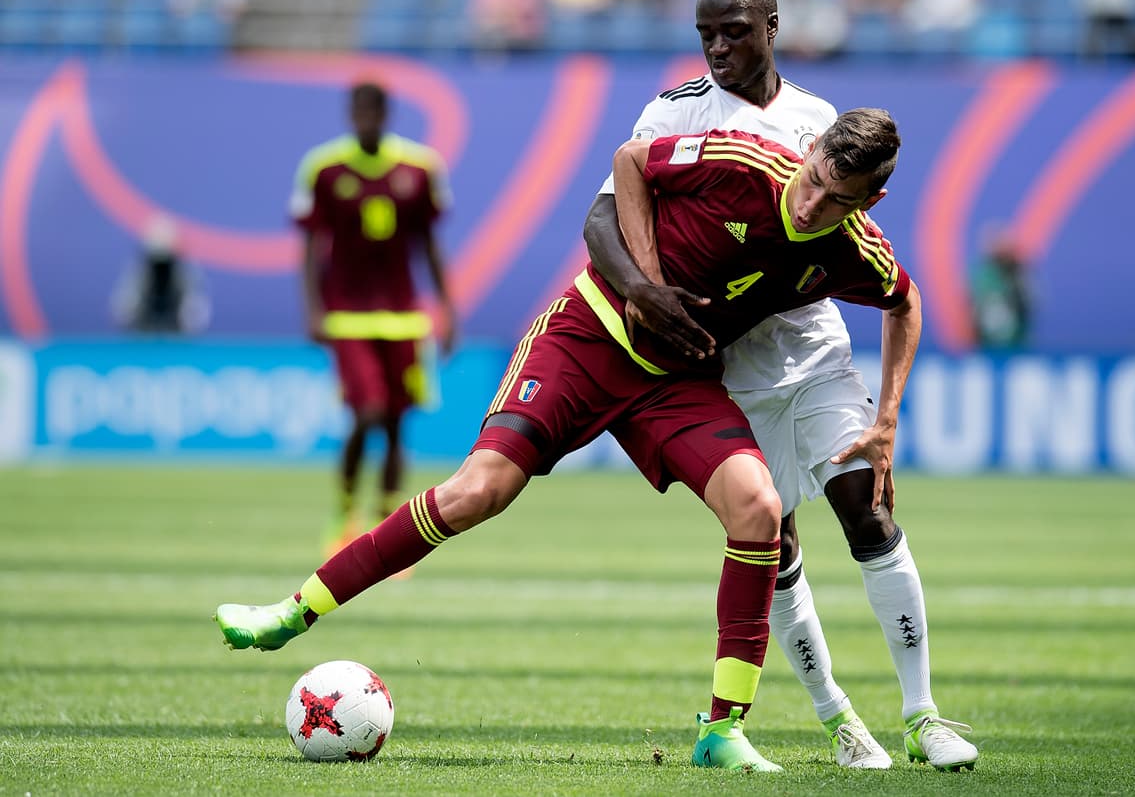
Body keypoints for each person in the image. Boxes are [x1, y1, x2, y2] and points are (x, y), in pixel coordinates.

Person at [216, 109, 910, 773]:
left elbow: (904, 300)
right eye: (815, 176)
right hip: (587, 340)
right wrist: (643, 284)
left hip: (676, 381)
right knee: (477, 492)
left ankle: (722, 728)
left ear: (869, 199)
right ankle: (293, 610)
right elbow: (631, 161)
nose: (812, 202)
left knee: (759, 507)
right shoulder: (739, 161)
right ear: (812, 145)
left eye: (837, 197)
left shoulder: (851, 247)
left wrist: (886, 418)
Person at [582, 0, 978, 771]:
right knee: (775, 541)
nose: (718, 49)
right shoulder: (675, 112)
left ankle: (923, 714)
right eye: (705, 35)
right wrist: (650, 294)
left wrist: (889, 416)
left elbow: (884, 280)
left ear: (771, 28)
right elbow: (607, 211)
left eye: (734, 32)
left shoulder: (819, 121)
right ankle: (839, 720)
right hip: (729, 368)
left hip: (816, 349)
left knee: (866, 512)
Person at [290, 82, 457, 555]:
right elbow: (308, 247)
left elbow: (429, 245)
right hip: (349, 317)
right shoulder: (324, 169)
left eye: (373, 110)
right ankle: (344, 512)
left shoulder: (420, 169)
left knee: (396, 425)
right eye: (358, 110)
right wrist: (313, 310)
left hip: (404, 317)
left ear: (385, 114)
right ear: (350, 114)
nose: (365, 119)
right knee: (368, 414)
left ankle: (387, 531)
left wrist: (448, 310)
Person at [970, 228, 1033, 349]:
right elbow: (974, 306)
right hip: (986, 342)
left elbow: (1029, 304)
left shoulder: (1019, 274)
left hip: (1016, 341)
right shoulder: (982, 274)